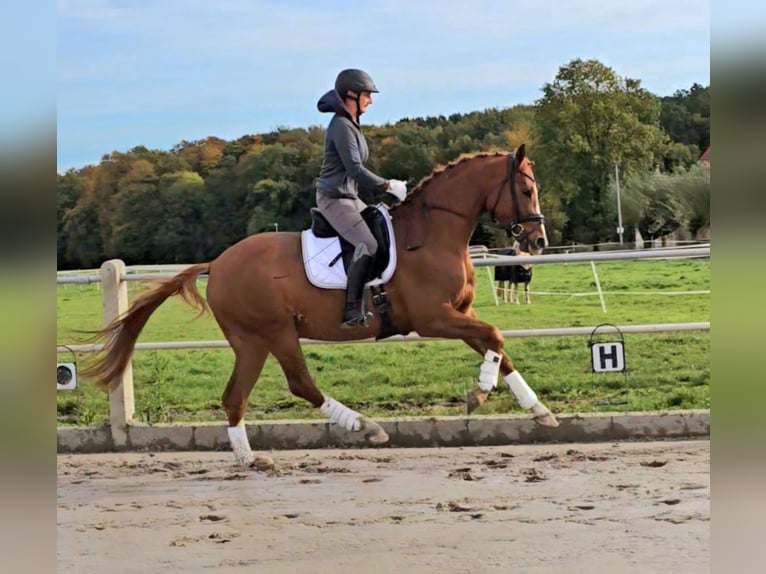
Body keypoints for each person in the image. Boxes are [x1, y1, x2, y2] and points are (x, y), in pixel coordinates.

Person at [314, 68, 407, 328]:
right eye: (367, 94)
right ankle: (351, 310)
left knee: (382, 230)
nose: (371, 100)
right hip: (334, 199)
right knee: (367, 244)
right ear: (351, 95)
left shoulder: (352, 125)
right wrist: (387, 185)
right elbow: (355, 169)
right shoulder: (342, 127)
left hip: (350, 197)